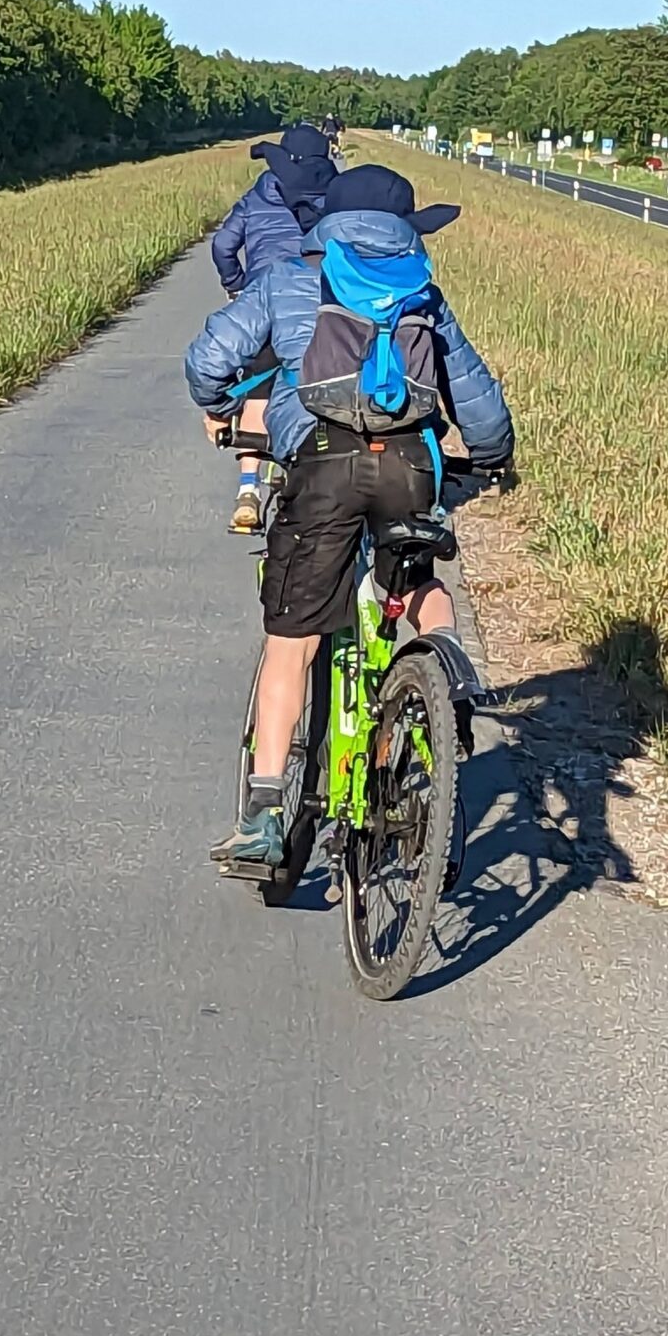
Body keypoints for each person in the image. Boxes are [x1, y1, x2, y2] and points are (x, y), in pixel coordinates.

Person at [183, 163, 515, 868]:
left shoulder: (291, 279)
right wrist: (487, 460)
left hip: (321, 460)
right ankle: (442, 692)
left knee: (294, 634)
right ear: (406, 229)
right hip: (410, 464)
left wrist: (218, 409)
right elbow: (479, 404)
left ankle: (266, 815)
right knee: (417, 582)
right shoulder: (422, 291)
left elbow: (210, 356)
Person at [208, 124, 337, 531]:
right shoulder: (334, 191)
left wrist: (235, 285)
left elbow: (223, 245)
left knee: (258, 392)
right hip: (317, 300)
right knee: (316, 382)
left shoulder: (258, 194)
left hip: (262, 300)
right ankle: (301, 476)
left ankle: (248, 491)